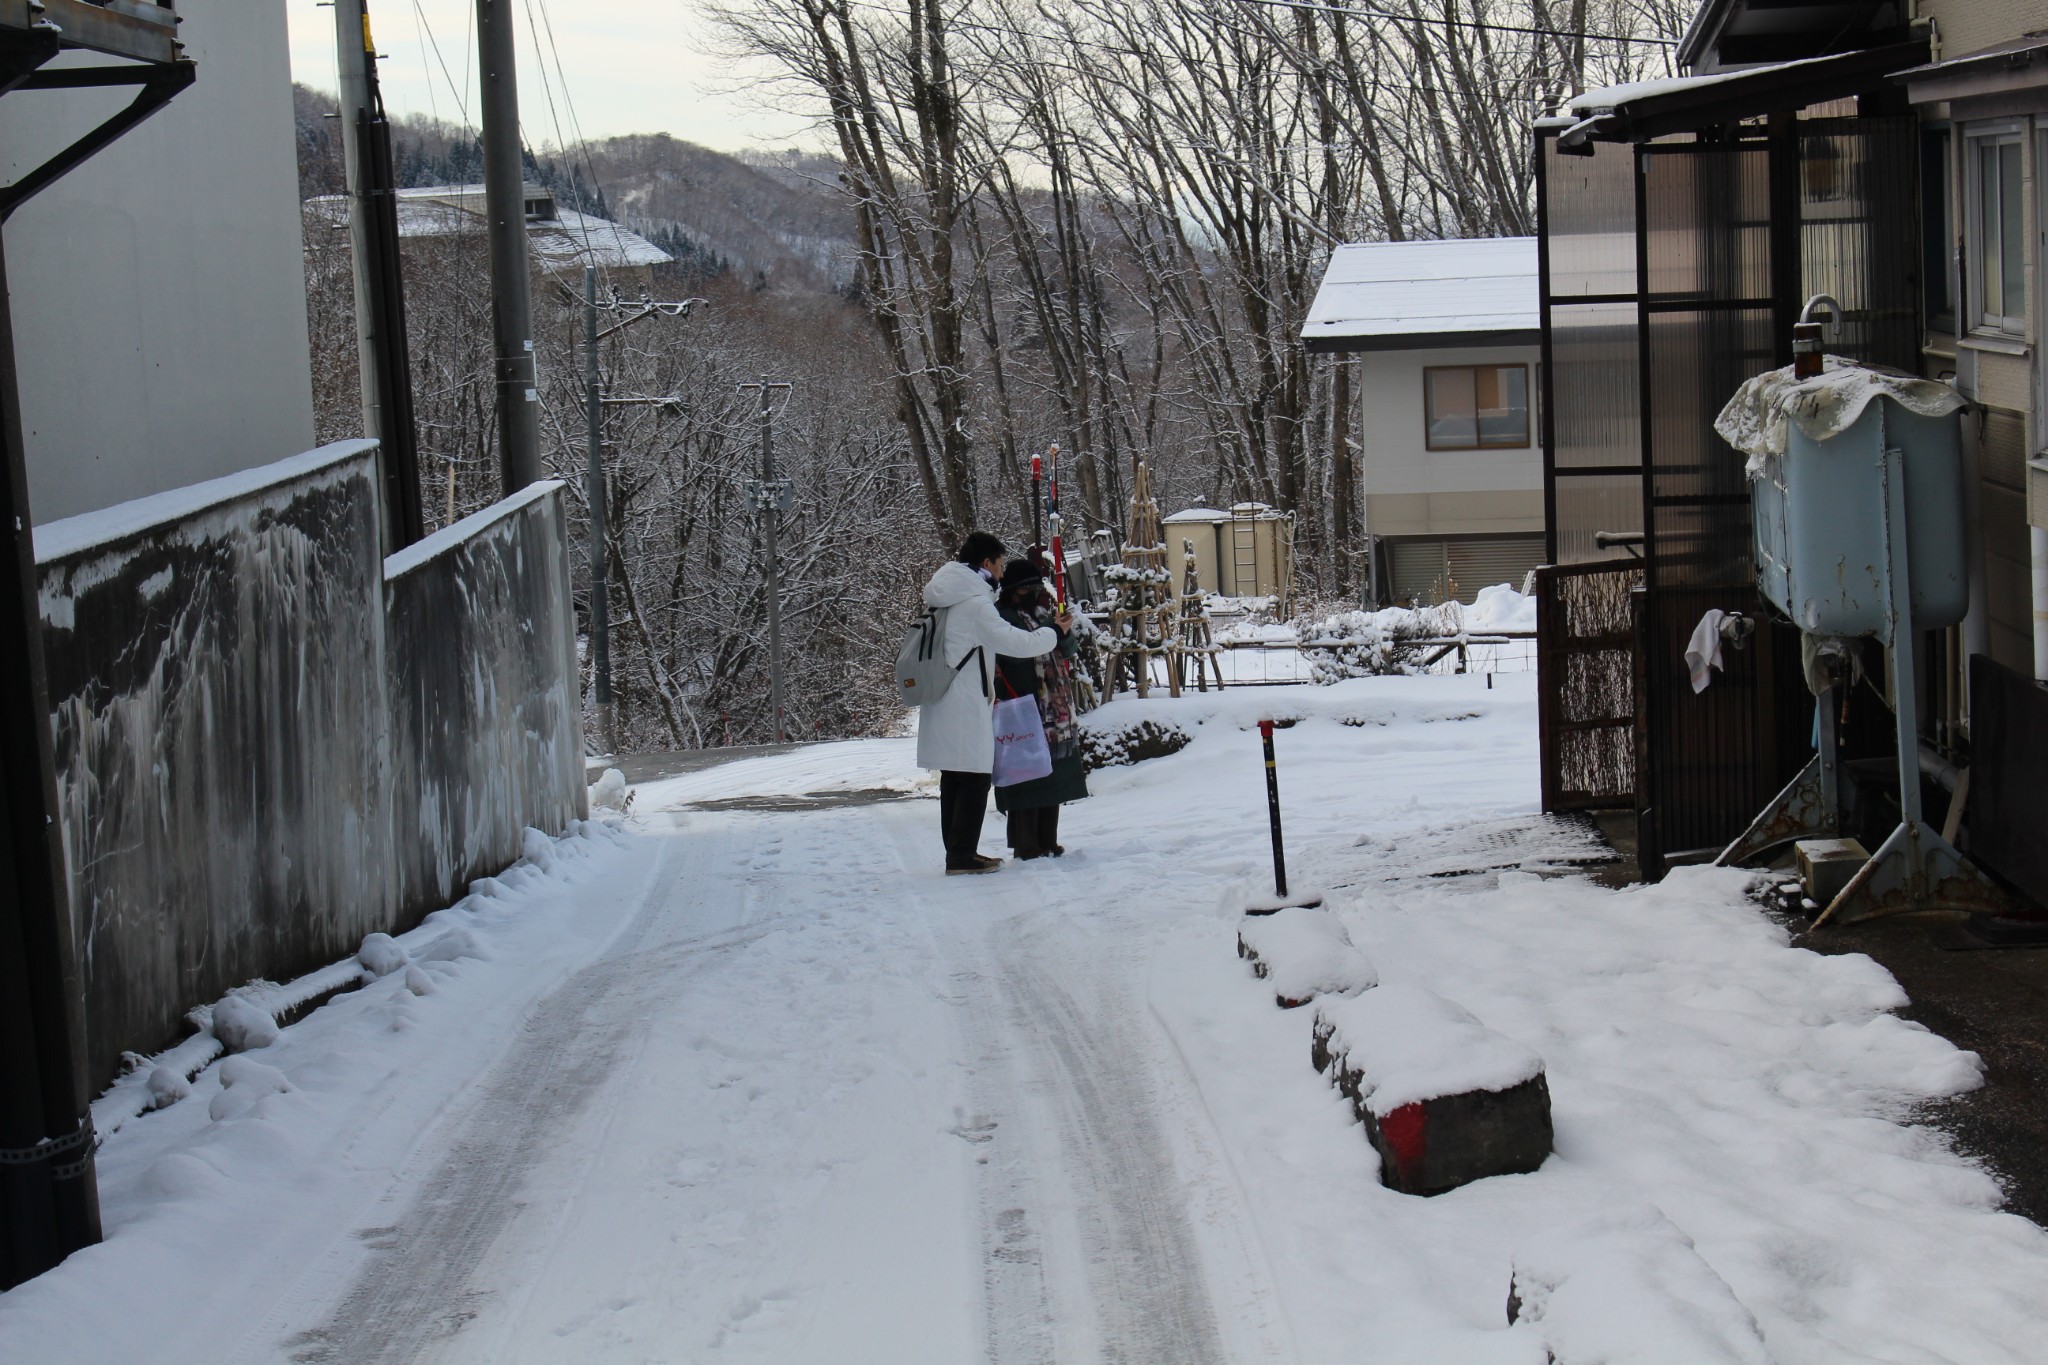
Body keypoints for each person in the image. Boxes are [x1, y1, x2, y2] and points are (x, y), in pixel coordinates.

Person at [916, 532, 1067, 874]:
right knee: (974, 778)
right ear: (986, 564)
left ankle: (958, 851)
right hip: (966, 700)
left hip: (944, 696)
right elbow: (1013, 642)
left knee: (955, 777)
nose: (1001, 575)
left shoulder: (945, 596)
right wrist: (1053, 633)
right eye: (999, 566)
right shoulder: (974, 602)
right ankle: (961, 856)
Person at [992, 559, 1088, 859]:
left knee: (1052, 777)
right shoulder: (1002, 617)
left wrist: (1063, 630)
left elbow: (1068, 649)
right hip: (1021, 706)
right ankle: (1026, 843)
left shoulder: (1041, 614)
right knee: (1025, 777)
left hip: (1053, 711)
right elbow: (1021, 651)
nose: (1034, 594)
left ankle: (1048, 839)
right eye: (1028, 589)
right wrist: (1051, 630)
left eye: (1037, 588)